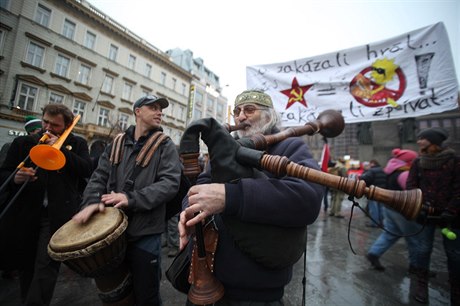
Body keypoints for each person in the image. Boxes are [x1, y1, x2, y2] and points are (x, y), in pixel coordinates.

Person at [179, 89, 324, 304]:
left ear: (269, 116)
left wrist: (231, 197)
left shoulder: (290, 146)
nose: (240, 117)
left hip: (258, 288)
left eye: (249, 110)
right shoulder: (226, 150)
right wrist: (188, 211)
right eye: (237, 111)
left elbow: (308, 198)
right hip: (206, 277)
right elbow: (200, 186)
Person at [73, 95, 182, 305]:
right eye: (153, 107)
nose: (159, 112)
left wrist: (130, 198)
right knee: (118, 294)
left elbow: (169, 184)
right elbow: (99, 177)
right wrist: (90, 204)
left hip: (146, 231)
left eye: (161, 109)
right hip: (112, 231)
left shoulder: (165, 145)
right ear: (138, 111)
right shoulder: (117, 142)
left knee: (146, 295)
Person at [0, 104, 92, 305]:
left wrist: (60, 148)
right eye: (46, 122)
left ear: (67, 126)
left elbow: (86, 169)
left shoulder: (77, 144)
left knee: (46, 267)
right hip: (26, 215)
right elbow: (4, 174)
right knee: (26, 265)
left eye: (55, 125)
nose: (48, 128)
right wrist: (16, 176)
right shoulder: (24, 143)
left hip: (56, 216)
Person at [407, 127, 460, 305]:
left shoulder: (454, 161)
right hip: (425, 215)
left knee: (454, 254)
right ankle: (421, 285)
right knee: (422, 250)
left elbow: (458, 189)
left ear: (433, 141)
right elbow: (411, 187)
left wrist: (450, 211)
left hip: (451, 217)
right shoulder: (418, 162)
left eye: (423, 138)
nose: (419, 141)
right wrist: (420, 206)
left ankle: (456, 288)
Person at [365, 149, 422, 271]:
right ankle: (417, 266)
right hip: (402, 209)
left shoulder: (390, 171)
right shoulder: (404, 174)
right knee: (414, 237)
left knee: (390, 233)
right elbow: (411, 193)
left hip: (390, 208)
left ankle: (374, 252)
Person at [360, 159, 386, 227]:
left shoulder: (371, 171)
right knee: (381, 207)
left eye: (369, 164)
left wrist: (362, 175)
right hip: (383, 191)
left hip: (373, 191)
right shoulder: (383, 169)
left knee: (373, 208)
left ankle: (374, 223)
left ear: (373, 163)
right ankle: (381, 222)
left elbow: (365, 179)